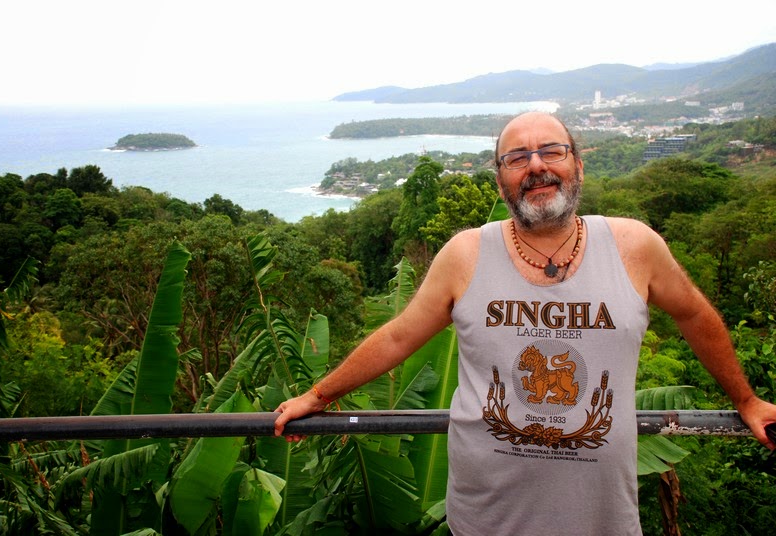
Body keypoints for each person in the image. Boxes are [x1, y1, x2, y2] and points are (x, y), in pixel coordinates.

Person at [274, 111, 776, 535]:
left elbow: (694, 313)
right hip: (485, 517)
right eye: (517, 158)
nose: (536, 166)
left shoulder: (634, 246)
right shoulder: (466, 254)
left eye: (551, 151)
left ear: (578, 165)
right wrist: (318, 395)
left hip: (600, 518)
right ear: (501, 180)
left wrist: (746, 400)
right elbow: (400, 335)